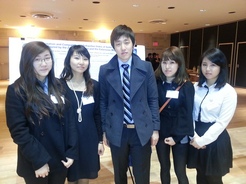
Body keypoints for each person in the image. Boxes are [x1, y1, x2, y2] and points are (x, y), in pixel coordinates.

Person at [5, 41, 78, 184]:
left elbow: (70, 120)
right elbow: (19, 131)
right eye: (37, 59)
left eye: (47, 58)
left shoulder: (59, 85)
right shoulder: (17, 90)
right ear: (27, 62)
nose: (44, 63)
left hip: (60, 157)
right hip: (36, 161)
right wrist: (39, 161)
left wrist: (71, 151)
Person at [99, 24, 160, 184]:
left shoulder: (146, 67)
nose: (123, 48)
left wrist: (155, 129)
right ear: (113, 46)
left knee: (142, 174)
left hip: (141, 129)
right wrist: (104, 130)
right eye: (118, 44)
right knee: (119, 174)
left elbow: (153, 99)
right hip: (117, 129)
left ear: (133, 44)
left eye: (126, 42)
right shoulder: (105, 70)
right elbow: (103, 102)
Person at [188, 48, 237, 184]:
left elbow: (222, 122)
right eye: (204, 64)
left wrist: (202, 141)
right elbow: (189, 114)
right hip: (196, 134)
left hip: (215, 138)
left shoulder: (228, 91)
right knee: (201, 176)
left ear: (221, 67)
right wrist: (194, 137)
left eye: (213, 65)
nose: (207, 69)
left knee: (214, 178)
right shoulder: (195, 87)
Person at [60, 45, 104, 184]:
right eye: (77, 57)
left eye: (85, 59)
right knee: (71, 175)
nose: (81, 62)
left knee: (85, 175)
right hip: (67, 139)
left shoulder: (94, 85)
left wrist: (100, 140)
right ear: (68, 60)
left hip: (89, 138)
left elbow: (97, 115)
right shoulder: (59, 85)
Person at [155, 46, 194, 184]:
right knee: (164, 168)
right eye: (164, 62)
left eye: (172, 62)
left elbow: (187, 114)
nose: (167, 66)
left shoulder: (186, 86)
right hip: (161, 133)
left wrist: (176, 137)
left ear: (179, 64)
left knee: (180, 171)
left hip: (180, 134)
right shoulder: (157, 82)